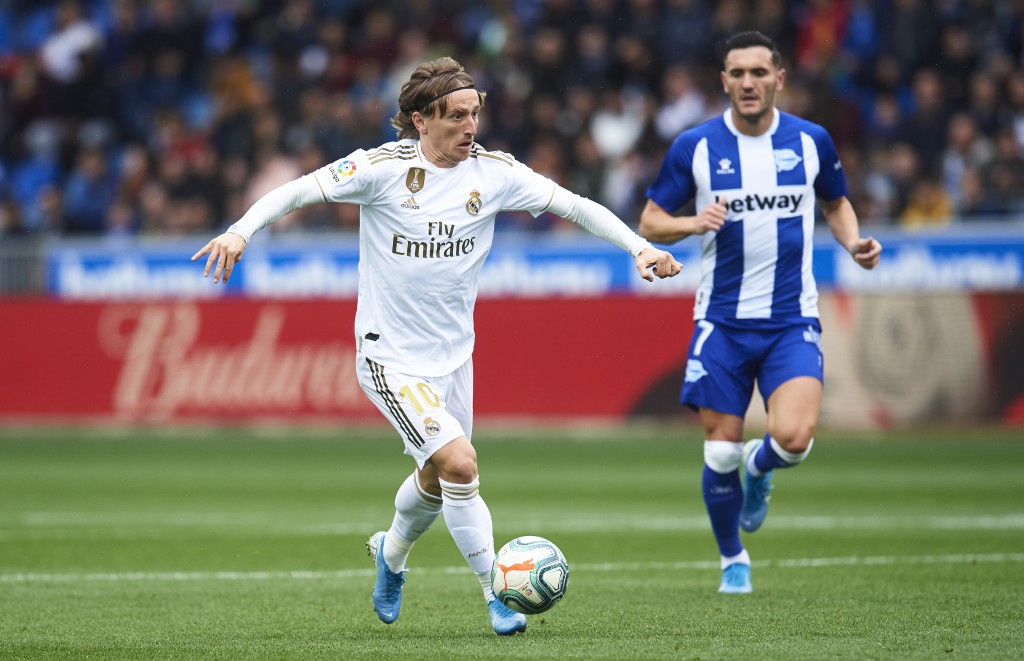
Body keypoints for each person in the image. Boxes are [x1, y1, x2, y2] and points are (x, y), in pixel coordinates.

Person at [192, 56, 682, 634]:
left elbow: (574, 205)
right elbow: (299, 191)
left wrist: (639, 248)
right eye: (456, 116)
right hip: (389, 358)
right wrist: (240, 231)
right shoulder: (381, 168)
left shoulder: (494, 174)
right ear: (421, 120)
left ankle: (391, 554)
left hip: (454, 357)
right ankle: (497, 593)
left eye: (475, 114)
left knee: (435, 478)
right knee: (460, 462)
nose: (470, 127)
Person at [638, 32, 881, 594]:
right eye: (738, 73)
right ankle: (733, 559)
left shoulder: (811, 140)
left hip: (791, 320)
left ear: (779, 79)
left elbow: (836, 201)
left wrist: (852, 242)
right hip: (721, 323)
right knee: (720, 450)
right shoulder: (695, 146)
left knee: (794, 438)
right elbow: (650, 220)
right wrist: (692, 223)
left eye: (759, 72)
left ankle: (760, 467)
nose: (749, 83)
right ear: (724, 81)